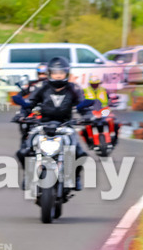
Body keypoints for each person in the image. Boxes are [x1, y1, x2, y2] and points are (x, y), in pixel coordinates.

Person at [11, 56, 94, 186]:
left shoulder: (74, 88)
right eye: (55, 73)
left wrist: (88, 116)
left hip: (65, 126)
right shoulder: (41, 87)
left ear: (67, 73)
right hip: (42, 125)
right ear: (49, 73)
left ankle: (75, 177)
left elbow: (82, 106)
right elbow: (29, 104)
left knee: (81, 154)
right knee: (23, 152)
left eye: (61, 73)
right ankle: (28, 175)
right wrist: (21, 115)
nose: (58, 76)